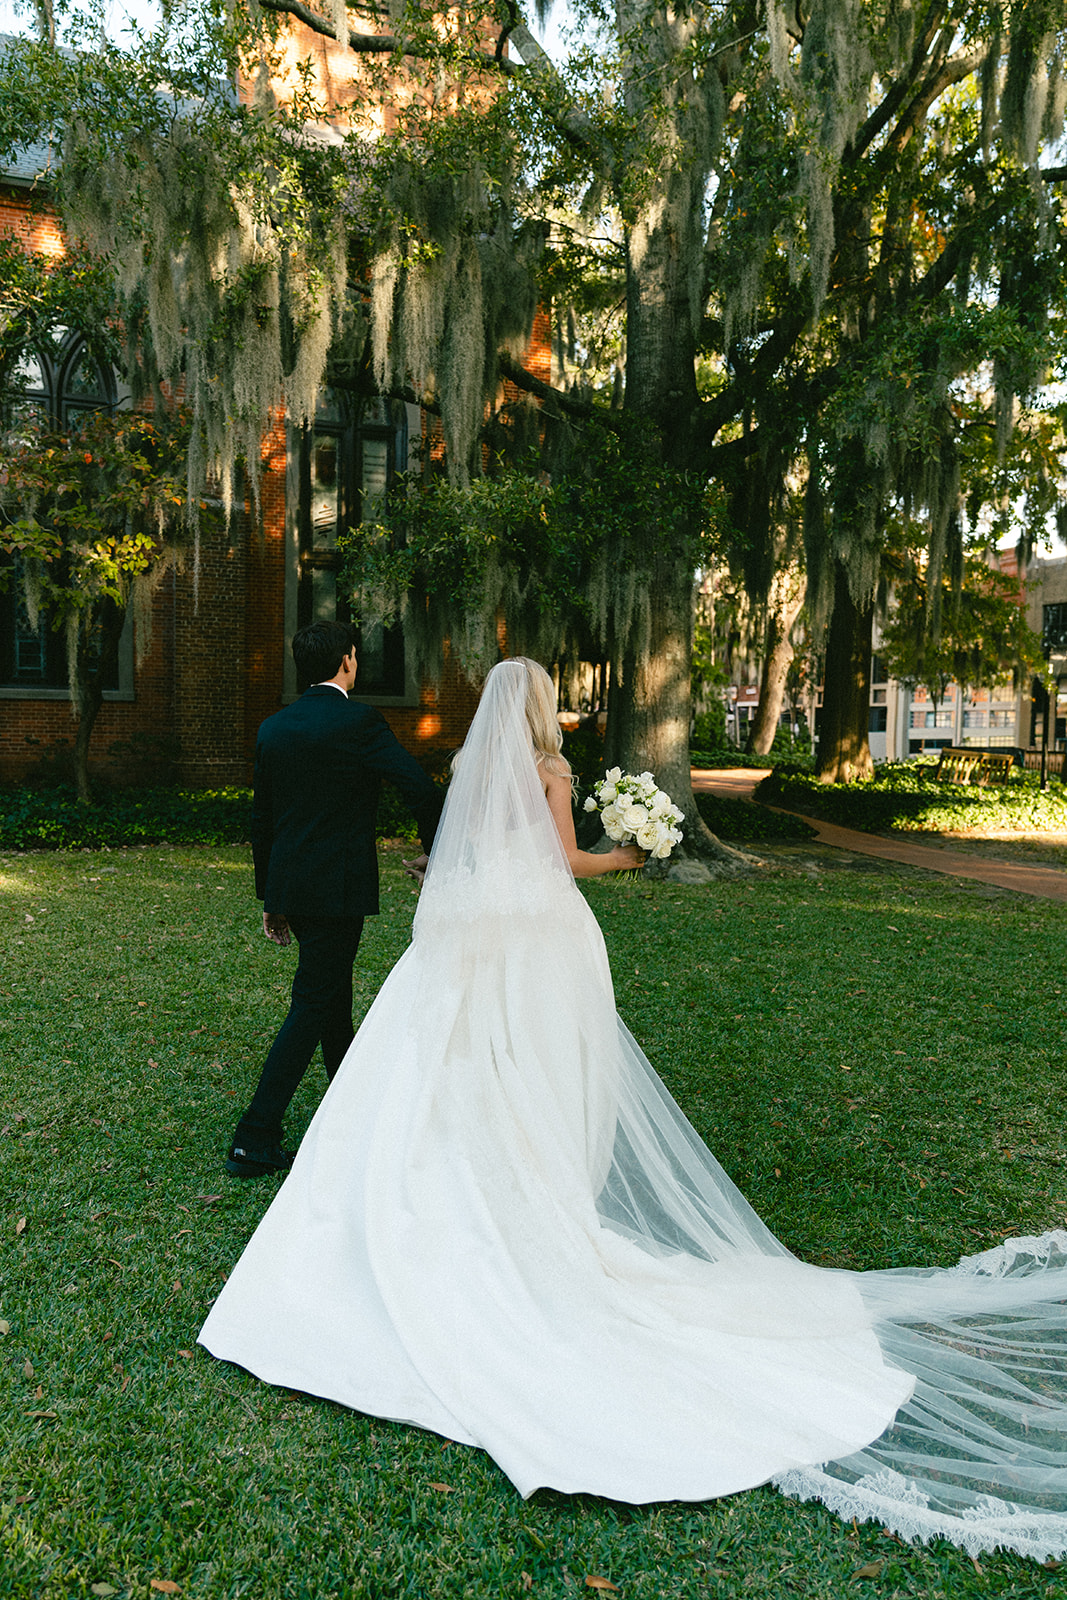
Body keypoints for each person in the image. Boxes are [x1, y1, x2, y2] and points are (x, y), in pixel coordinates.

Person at [201, 658, 1067, 1561]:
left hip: (463, 942)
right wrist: (632, 851)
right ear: (540, 708)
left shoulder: (471, 767)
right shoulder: (548, 768)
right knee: (537, 1073)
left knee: (455, 1073)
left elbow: (461, 852)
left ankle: (447, 1194)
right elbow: (563, 861)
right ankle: (535, 1201)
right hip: (538, 940)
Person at [226, 619, 443, 1177]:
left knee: (331, 994)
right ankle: (255, 1135)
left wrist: (271, 897)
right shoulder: (359, 721)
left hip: (295, 888)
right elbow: (418, 788)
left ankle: (349, 1105)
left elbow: (263, 820)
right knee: (315, 1001)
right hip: (338, 891)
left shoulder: (274, 727)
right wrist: (439, 851)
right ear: (348, 661)